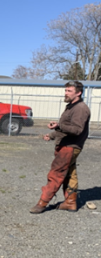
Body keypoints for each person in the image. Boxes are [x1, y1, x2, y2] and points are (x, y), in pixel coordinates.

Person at [30, 81, 90, 214]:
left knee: (56, 174)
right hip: (66, 145)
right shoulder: (71, 107)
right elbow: (66, 129)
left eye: (69, 91)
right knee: (70, 173)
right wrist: (52, 135)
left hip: (70, 147)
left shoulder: (80, 108)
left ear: (78, 93)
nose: (66, 93)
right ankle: (70, 202)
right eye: (66, 90)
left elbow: (76, 130)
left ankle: (42, 203)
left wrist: (58, 126)